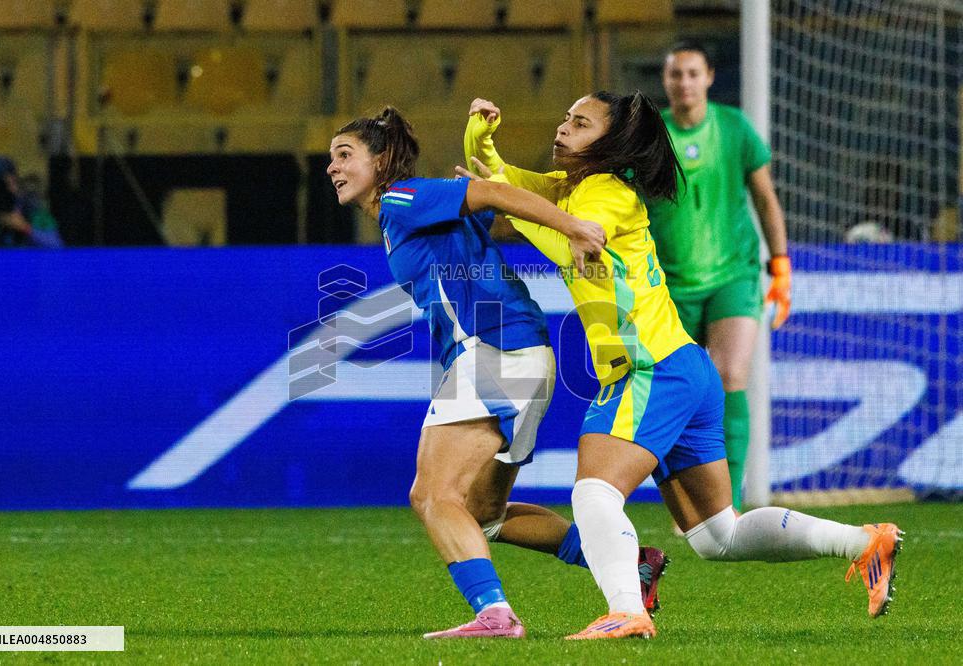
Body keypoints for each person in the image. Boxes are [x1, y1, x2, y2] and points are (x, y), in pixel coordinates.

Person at [461, 91, 902, 640]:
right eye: (564, 117)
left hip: (649, 370)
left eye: (580, 123)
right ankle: (864, 543)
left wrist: (512, 206)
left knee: (593, 492)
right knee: (720, 537)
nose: (562, 128)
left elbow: (575, 236)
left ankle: (625, 607)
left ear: (611, 144)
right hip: (683, 366)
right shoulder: (571, 188)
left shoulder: (604, 193)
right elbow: (505, 183)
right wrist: (481, 137)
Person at [327, 107, 667, 640]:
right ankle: (631, 563)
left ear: (382, 161)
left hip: (493, 352)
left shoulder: (401, 198)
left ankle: (495, 615)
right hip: (522, 358)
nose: (332, 167)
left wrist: (573, 225)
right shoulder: (412, 211)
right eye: (331, 158)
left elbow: (489, 195)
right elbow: (484, 202)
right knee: (483, 513)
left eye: (345, 155)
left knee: (432, 495)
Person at [645, 41, 790, 510]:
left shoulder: (734, 128)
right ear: (666, 82)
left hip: (734, 274)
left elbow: (765, 198)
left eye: (692, 73)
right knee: (676, 389)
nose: (684, 83)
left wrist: (780, 266)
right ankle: (687, 502)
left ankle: (728, 502)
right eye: (675, 75)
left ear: (708, 77)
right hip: (669, 284)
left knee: (730, 374)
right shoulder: (651, 137)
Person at [0, 157, 63, 248]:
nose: (2, 193)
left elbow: (56, 245)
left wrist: (25, 228)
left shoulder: (32, 208)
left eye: (6, 185)